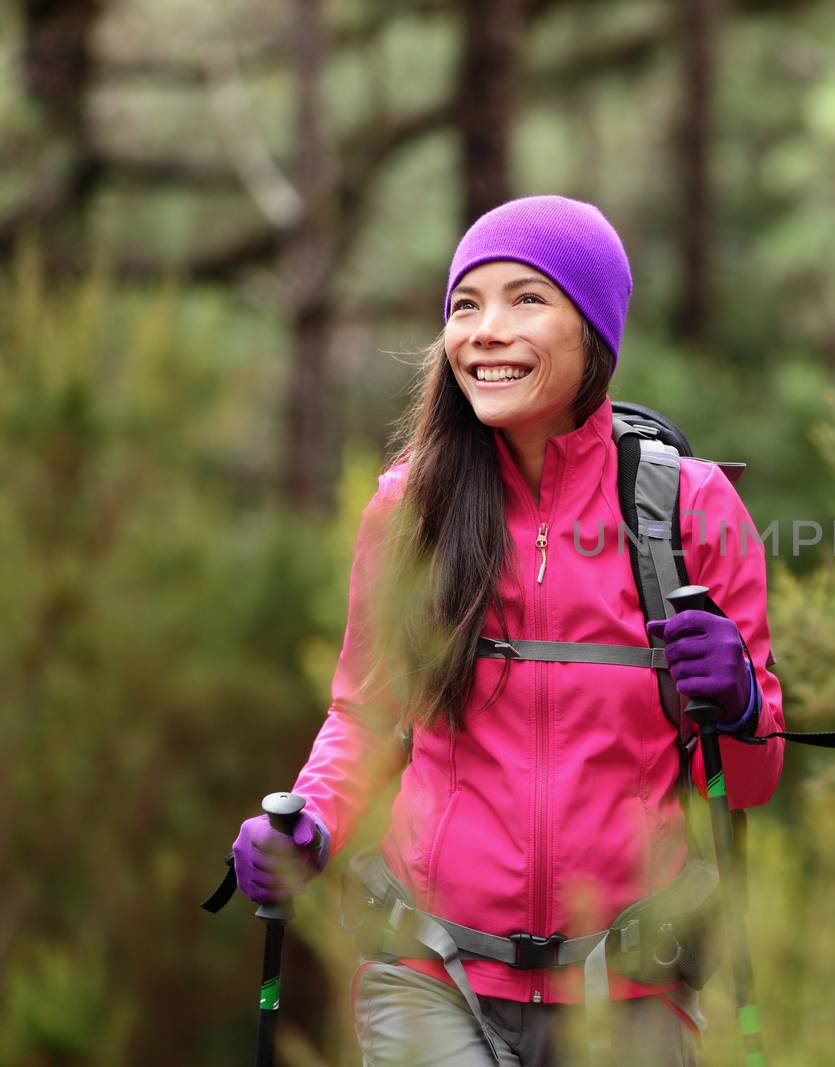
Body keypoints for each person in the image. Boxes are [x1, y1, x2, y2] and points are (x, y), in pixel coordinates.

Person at [229, 196, 786, 1066]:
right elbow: (366, 715)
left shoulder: (693, 508)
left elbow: (748, 782)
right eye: (465, 305)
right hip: (429, 969)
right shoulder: (409, 509)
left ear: (595, 330)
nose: (485, 331)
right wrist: (313, 823)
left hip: (630, 989)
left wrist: (743, 703)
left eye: (527, 299)